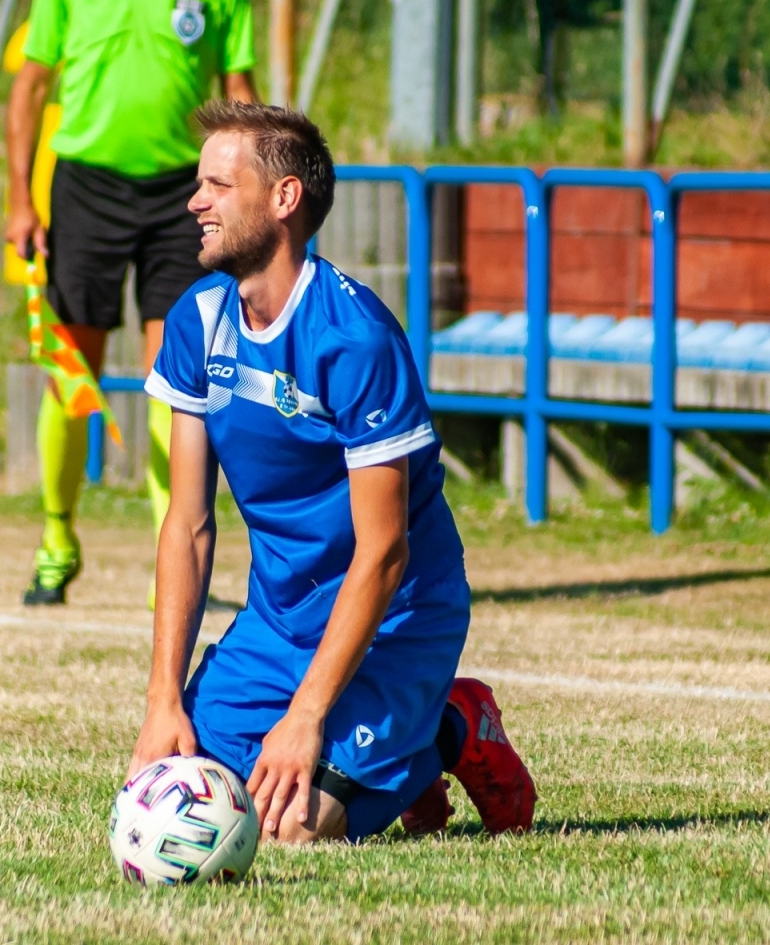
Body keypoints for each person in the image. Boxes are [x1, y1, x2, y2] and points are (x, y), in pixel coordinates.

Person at [128, 101, 537, 842]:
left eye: (218, 186)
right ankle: (390, 748)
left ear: (283, 199)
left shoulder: (354, 338)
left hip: (396, 620)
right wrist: (163, 701)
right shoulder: (196, 319)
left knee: (294, 824)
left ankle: (451, 724)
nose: (194, 202)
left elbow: (384, 552)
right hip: (279, 624)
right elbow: (187, 526)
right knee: (190, 791)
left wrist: (307, 717)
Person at [5, 0, 258, 606]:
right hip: (84, 187)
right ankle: (57, 537)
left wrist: (248, 187)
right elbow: (29, 87)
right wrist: (21, 197)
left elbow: (237, 89)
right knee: (70, 369)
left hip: (185, 190)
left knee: (176, 377)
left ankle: (170, 562)